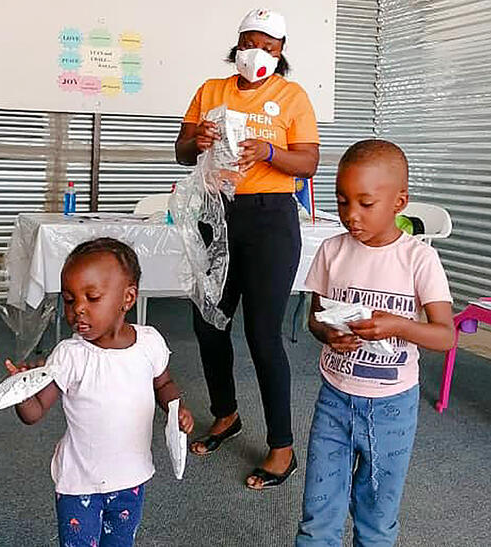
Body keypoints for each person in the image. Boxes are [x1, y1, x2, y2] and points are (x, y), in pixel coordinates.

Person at [175, 8, 320, 490]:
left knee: (263, 335)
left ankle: (282, 447)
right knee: (208, 322)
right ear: (237, 45)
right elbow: (180, 150)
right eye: (250, 43)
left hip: (270, 219)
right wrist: (196, 138)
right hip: (216, 214)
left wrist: (271, 153)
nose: (257, 53)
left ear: (281, 52)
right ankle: (227, 415)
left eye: (269, 46)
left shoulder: (292, 96)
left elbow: (311, 162)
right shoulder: (210, 90)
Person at [295, 139, 454, 545]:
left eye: (366, 204)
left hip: (393, 408)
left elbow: (445, 335)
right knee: (318, 514)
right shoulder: (332, 251)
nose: (351, 215)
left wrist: (399, 326)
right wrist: (327, 334)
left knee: (378, 517)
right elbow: (315, 317)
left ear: (400, 201)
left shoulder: (419, 260)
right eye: (343, 200)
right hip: (335, 399)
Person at [6, 238, 194, 547]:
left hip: (131, 479)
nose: (78, 308)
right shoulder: (69, 355)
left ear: (127, 297)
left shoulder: (149, 344)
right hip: (79, 484)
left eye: (91, 297)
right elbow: (34, 412)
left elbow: (164, 385)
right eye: (69, 300)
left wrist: (177, 408)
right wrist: (21, 392)